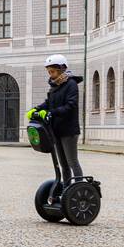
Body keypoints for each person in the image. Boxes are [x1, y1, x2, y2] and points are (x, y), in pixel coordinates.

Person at [28, 54, 83, 188]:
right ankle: (67, 190)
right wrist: (36, 109)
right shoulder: (54, 86)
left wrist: (50, 113)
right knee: (62, 164)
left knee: (72, 162)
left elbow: (71, 106)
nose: (50, 74)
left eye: (52, 71)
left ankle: (79, 188)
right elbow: (49, 103)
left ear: (61, 69)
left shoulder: (71, 84)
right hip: (56, 130)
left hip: (69, 130)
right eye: (49, 72)